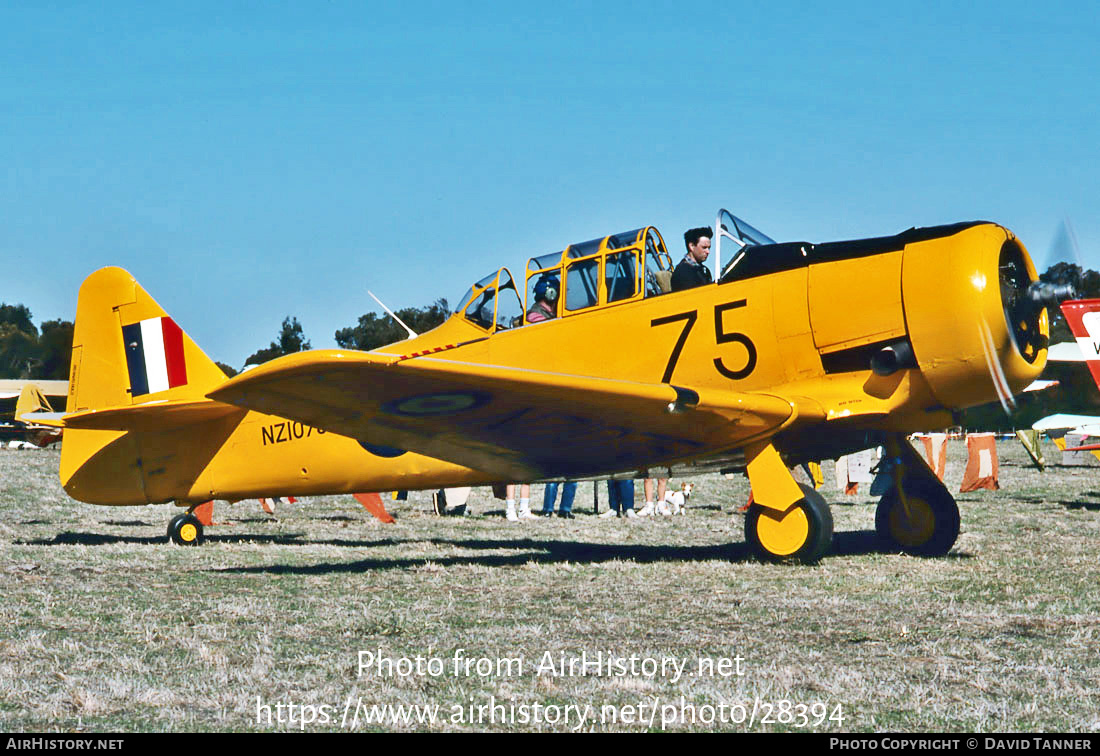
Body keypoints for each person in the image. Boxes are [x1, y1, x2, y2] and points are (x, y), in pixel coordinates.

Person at [671, 227, 713, 292]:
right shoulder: (683, 271)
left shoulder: (705, 271)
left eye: (709, 248)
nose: (708, 252)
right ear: (692, 246)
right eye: (704, 247)